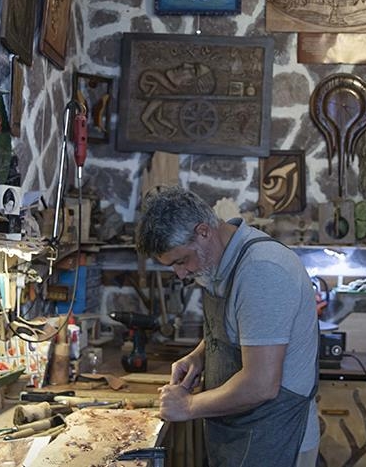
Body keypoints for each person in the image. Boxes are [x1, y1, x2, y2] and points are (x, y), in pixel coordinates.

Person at [135, 186, 319, 467]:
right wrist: (199, 356)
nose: (180, 273)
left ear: (203, 232)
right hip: (240, 430)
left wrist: (187, 406)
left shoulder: (262, 270)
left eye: (181, 261)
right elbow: (243, 326)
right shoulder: (219, 261)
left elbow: (261, 385)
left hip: (274, 436)